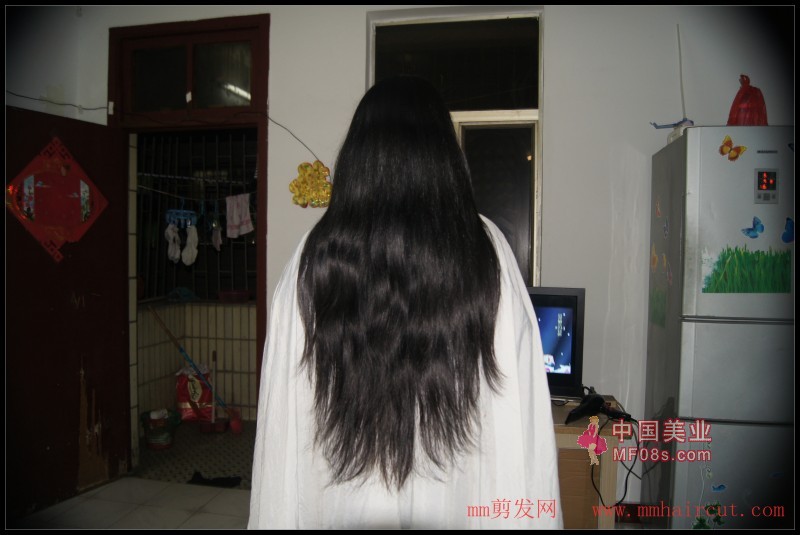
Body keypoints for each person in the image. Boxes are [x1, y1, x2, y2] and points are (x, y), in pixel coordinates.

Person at [249, 76, 562, 529]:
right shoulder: (486, 250)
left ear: (358, 156)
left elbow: (282, 423)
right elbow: (521, 413)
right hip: (456, 502)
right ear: (444, 155)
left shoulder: (313, 256)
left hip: (341, 507)